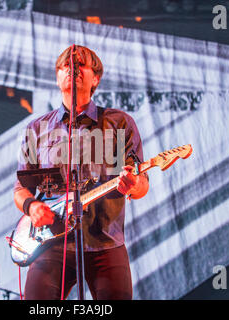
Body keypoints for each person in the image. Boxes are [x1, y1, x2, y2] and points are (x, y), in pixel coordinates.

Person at [13, 45, 149, 300]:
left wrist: (132, 184)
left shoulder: (119, 123)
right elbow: (20, 189)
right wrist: (32, 207)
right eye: (66, 65)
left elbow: (142, 184)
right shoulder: (37, 128)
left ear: (96, 78)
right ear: (57, 76)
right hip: (51, 244)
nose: (71, 69)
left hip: (105, 242)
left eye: (80, 65)